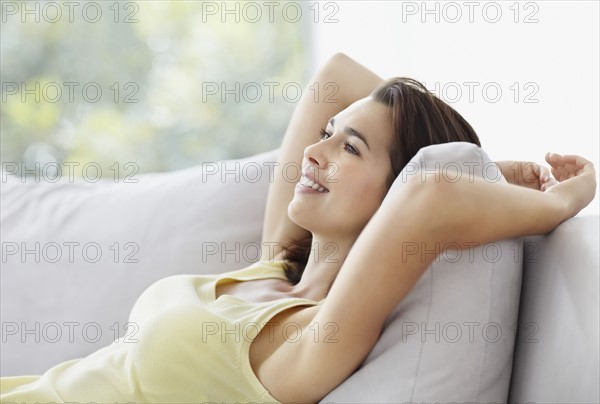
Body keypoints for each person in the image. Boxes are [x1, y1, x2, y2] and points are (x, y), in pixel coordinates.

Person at [1, 53, 596, 403]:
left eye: (350, 148)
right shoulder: (275, 265)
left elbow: (431, 192)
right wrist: (489, 164)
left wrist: (557, 200)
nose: (314, 152)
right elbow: (335, 77)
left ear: (389, 197)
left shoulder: (306, 342)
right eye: (326, 133)